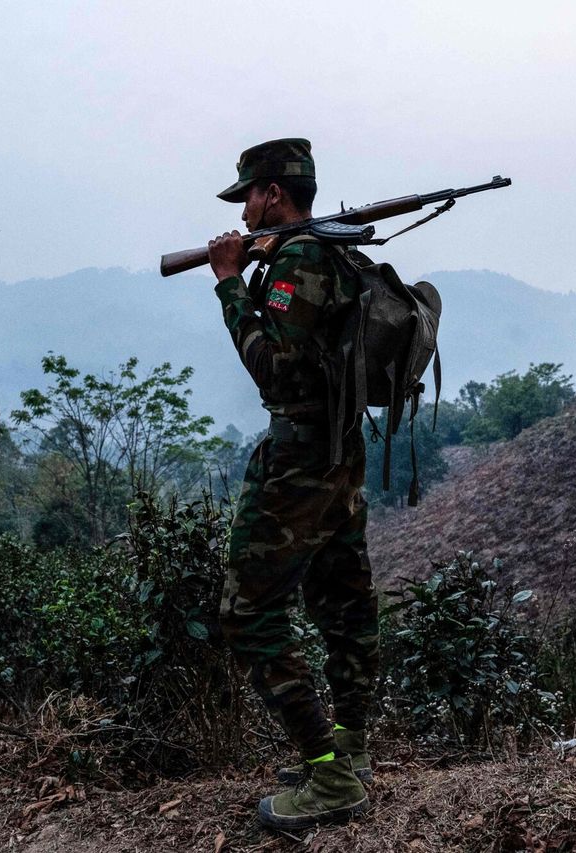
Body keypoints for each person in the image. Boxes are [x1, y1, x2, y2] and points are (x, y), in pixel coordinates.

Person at [206, 138, 380, 830]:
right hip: (340, 454)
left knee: (247, 612)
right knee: (343, 599)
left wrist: (227, 281)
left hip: (302, 460)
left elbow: (274, 371)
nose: (244, 211)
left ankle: (329, 775)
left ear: (273, 193)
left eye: (248, 196)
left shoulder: (301, 258)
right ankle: (354, 747)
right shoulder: (324, 250)